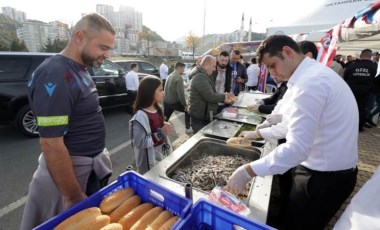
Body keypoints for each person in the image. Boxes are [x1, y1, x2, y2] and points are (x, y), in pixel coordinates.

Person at [226, 35, 358, 230]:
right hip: (325, 171)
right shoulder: (307, 75)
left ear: (287, 52)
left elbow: (296, 148)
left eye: (272, 65)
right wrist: (259, 133)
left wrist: (248, 171)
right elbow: (288, 121)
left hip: (324, 178)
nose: (272, 73)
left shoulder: (310, 83)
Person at [21, 13, 114, 230]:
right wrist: (72, 196)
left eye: (109, 49)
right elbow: (51, 143)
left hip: (89, 169)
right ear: (80, 36)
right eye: (102, 47)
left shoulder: (79, 67)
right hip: (70, 179)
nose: (107, 55)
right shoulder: (56, 74)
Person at [129, 76, 173, 174]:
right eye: (161, 90)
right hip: (149, 157)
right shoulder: (139, 117)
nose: (163, 92)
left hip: (162, 152)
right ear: (150, 92)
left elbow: (156, 127)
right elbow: (140, 143)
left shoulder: (158, 108)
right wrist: (161, 133)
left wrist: (164, 126)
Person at [188, 55, 235, 133]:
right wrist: (225, 96)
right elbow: (209, 96)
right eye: (213, 66)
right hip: (199, 118)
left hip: (203, 116)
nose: (214, 69)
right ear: (206, 64)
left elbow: (211, 93)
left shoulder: (205, 75)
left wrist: (224, 96)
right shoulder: (200, 77)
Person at [344, 49, 377, 132]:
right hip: (366, 92)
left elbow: (345, 77)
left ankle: (347, 125)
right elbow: (375, 80)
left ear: (361, 55)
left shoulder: (352, 65)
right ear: (370, 56)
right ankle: (359, 127)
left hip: (352, 91)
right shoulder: (374, 67)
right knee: (362, 109)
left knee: (350, 108)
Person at [164, 61, 192, 134]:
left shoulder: (170, 75)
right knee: (188, 110)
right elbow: (180, 94)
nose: (184, 71)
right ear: (179, 68)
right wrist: (185, 105)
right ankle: (188, 128)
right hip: (174, 102)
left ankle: (160, 130)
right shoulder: (178, 77)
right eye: (183, 69)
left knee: (165, 118)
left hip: (166, 101)